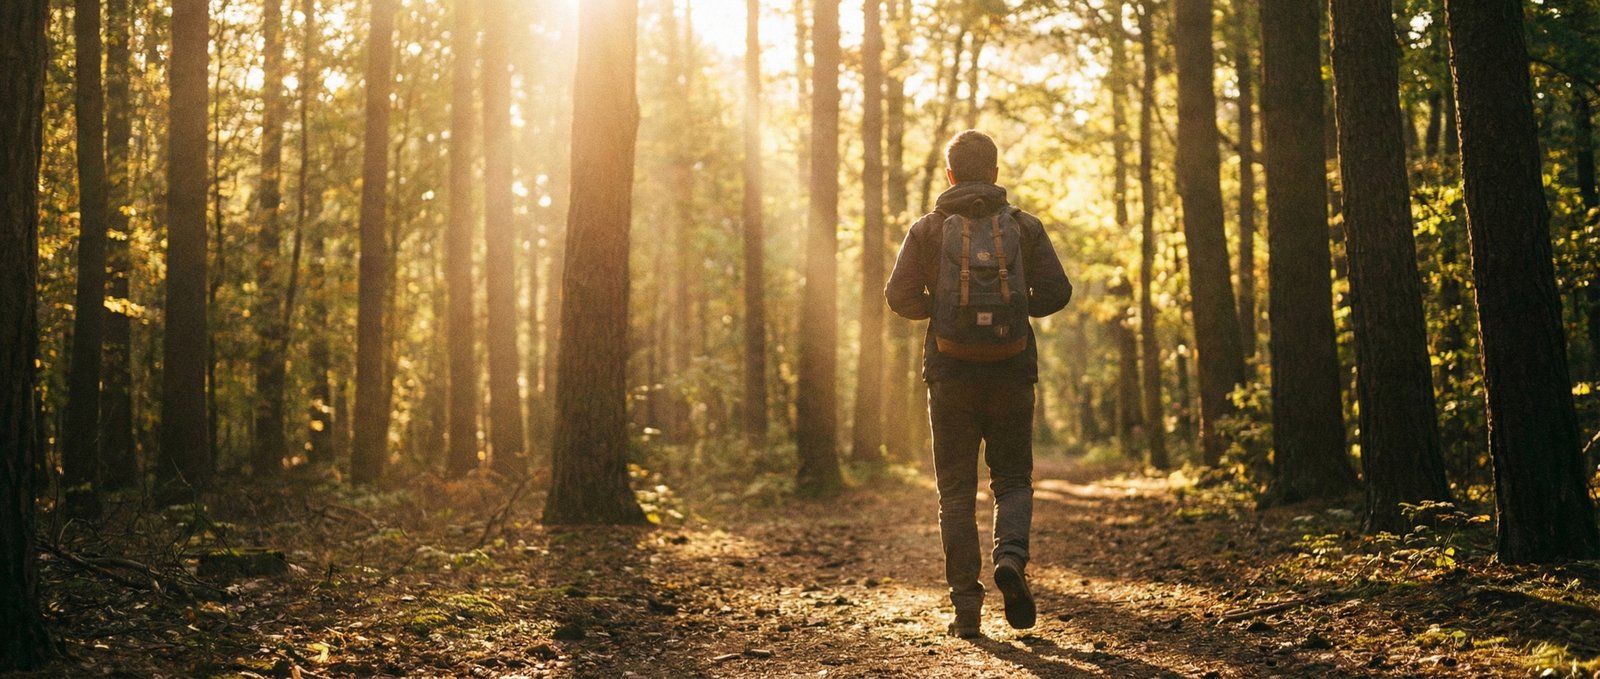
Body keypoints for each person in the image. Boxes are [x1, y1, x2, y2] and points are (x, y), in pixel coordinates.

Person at [885, 129, 1073, 638]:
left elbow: (898, 295)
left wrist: (941, 313)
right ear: (994, 173)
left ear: (950, 175)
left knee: (956, 491)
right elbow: (1058, 290)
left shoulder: (927, 229)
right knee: (1012, 480)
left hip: (949, 374)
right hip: (1012, 370)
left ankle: (966, 608)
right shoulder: (1024, 226)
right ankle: (1010, 558)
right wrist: (1016, 309)